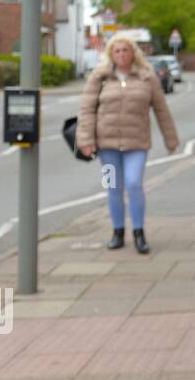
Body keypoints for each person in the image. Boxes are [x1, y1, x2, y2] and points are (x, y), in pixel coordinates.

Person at [76, 33, 180, 254]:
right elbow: (86, 110)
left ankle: (139, 233)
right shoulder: (99, 77)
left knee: (133, 184)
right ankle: (117, 232)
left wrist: (170, 139)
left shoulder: (147, 77)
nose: (121, 54)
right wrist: (85, 140)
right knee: (113, 187)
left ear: (134, 53)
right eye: (117, 50)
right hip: (107, 145)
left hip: (137, 144)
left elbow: (162, 110)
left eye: (125, 50)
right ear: (110, 54)